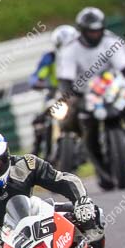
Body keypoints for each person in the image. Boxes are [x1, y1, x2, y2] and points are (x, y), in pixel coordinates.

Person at [0, 130, 124, 248]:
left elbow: (64, 180)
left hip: (36, 213)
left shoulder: (26, 164)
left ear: (6, 156)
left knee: (90, 215)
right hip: (0, 236)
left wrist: (82, 201)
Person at [56, 7, 125, 188]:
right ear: (82, 30)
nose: (95, 34)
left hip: (113, 87)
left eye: (97, 29)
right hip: (84, 92)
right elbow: (65, 79)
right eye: (90, 30)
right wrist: (69, 98)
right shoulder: (70, 49)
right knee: (81, 125)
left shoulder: (112, 42)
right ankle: (98, 164)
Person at [29, 25, 78, 154]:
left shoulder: (81, 57)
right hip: (54, 95)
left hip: (76, 95)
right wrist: (38, 83)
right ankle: (36, 152)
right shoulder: (50, 58)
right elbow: (37, 75)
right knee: (39, 121)